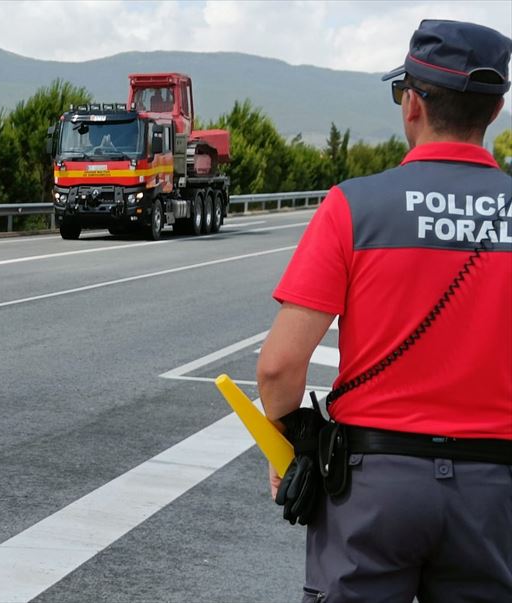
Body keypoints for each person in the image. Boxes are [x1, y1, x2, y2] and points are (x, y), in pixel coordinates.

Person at [256, 19, 512, 602]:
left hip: (371, 489)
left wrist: (291, 441)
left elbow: (277, 368)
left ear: (412, 102)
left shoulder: (354, 205)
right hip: (496, 489)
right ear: (495, 111)